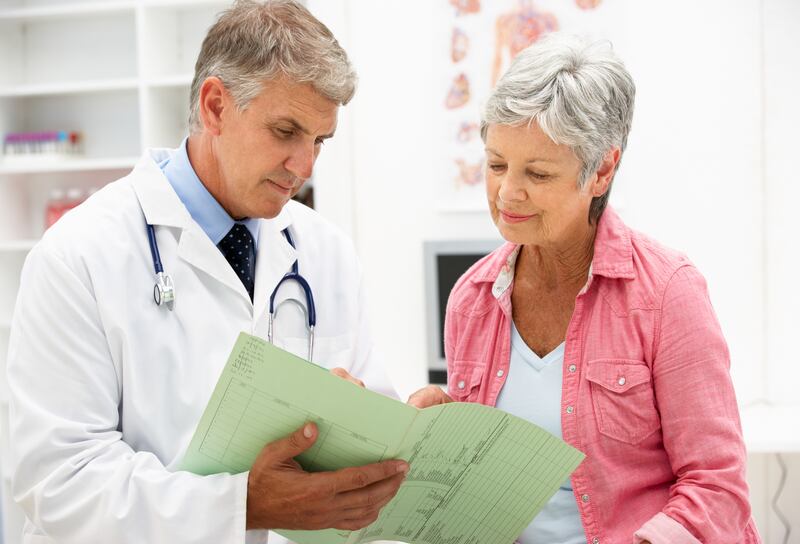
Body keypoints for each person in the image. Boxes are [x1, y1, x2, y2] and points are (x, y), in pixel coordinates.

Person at [6, 2, 409, 543]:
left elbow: (365, 425)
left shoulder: (325, 251)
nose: (305, 166)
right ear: (216, 106)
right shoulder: (78, 255)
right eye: (286, 131)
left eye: (319, 141)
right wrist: (240, 505)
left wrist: (397, 434)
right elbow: (58, 480)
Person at [409, 33, 761, 543]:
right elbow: (487, 485)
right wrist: (436, 440)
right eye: (497, 164)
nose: (508, 192)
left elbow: (718, 486)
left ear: (601, 170)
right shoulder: (472, 297)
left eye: (538, 172)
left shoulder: (666, 293)